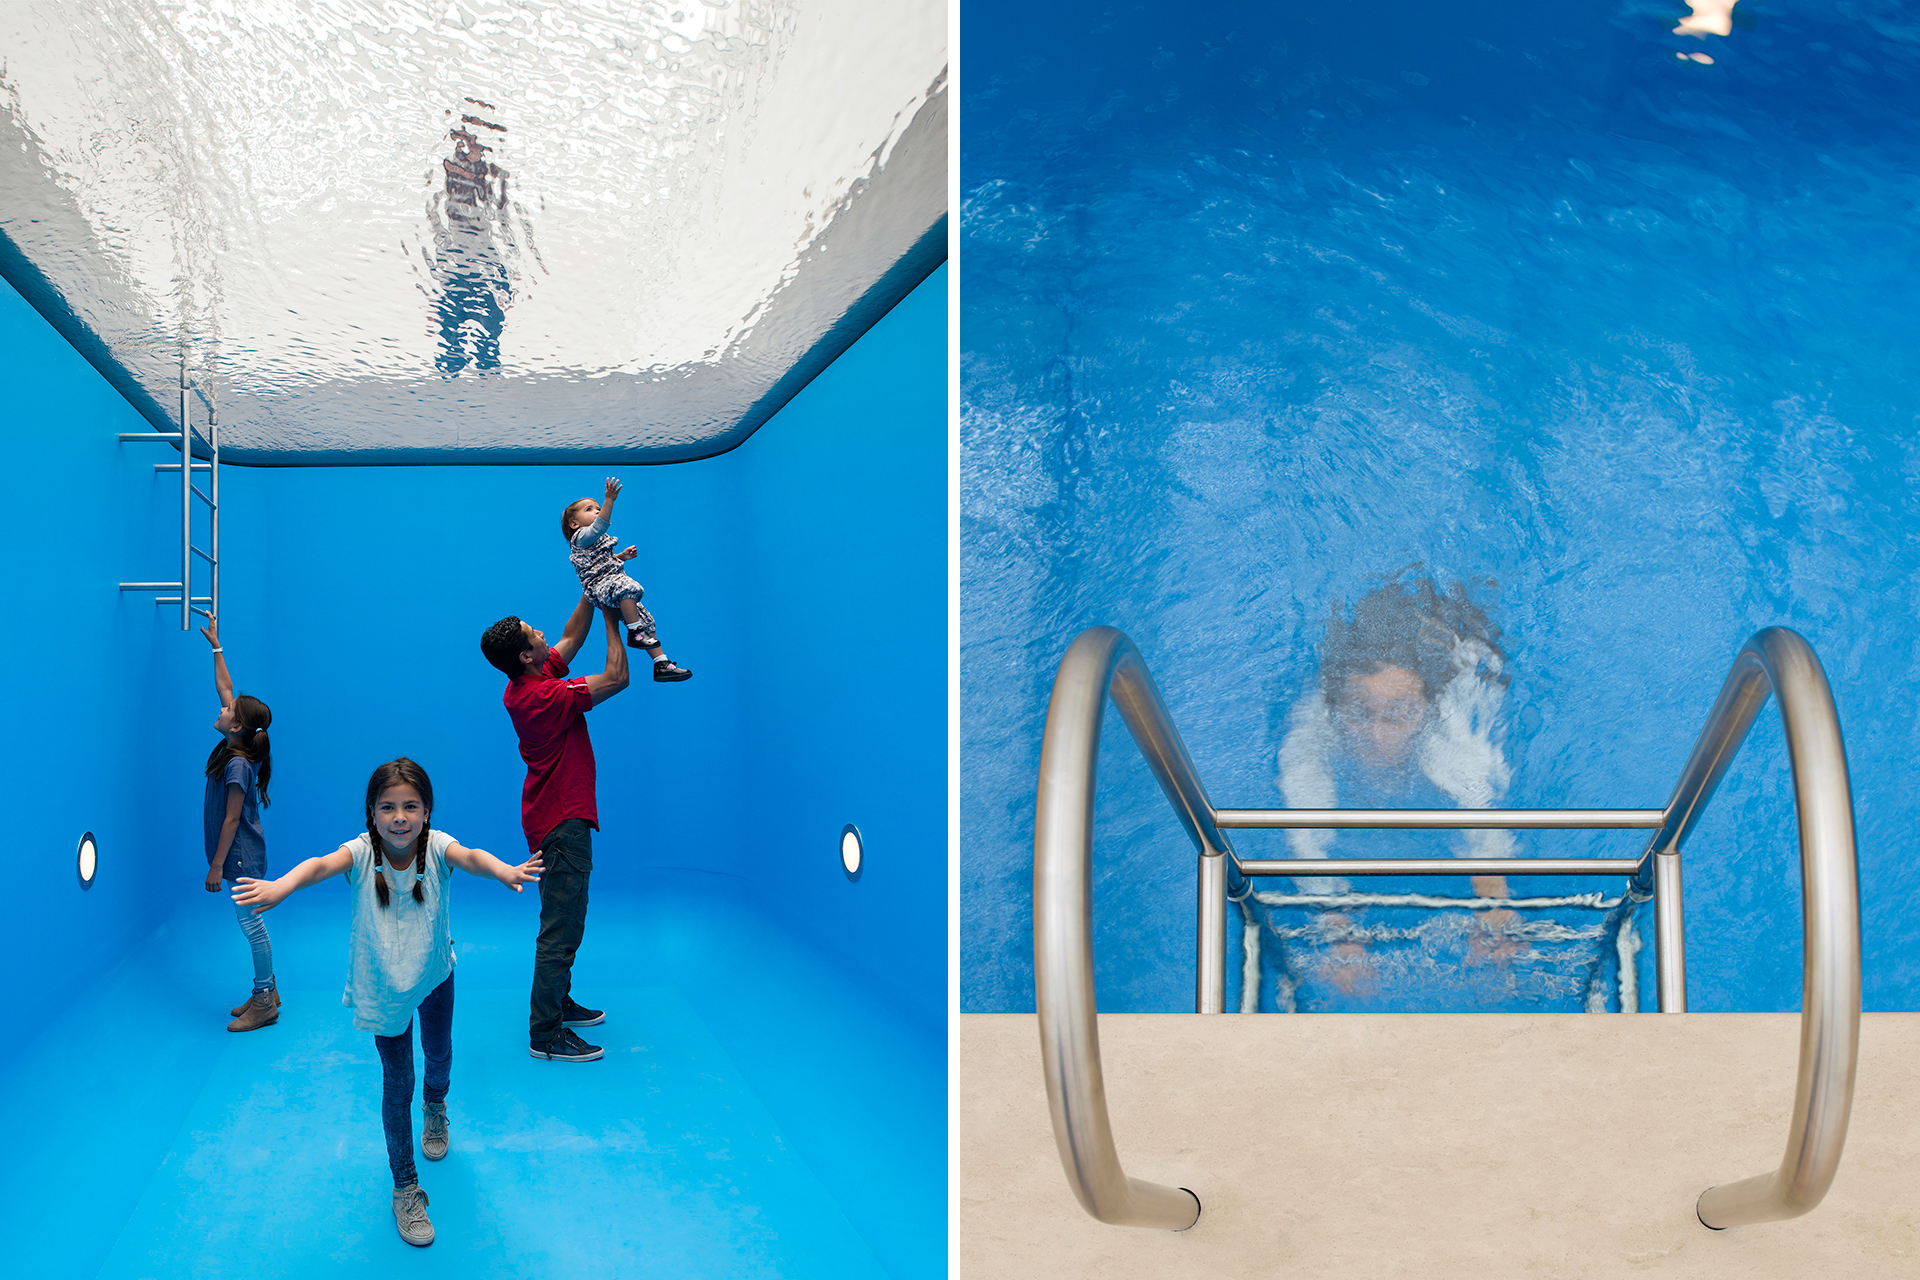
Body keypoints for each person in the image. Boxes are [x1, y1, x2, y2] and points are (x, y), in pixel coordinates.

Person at [231, 758, 541, 1248]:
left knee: (438, 1056)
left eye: (410, 807)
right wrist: (281, 887)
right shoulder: (359, 853)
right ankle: (404, 1187)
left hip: (436, 974)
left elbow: (473, 856)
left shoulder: (437, 848)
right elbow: (317, 866)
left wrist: (504, 871)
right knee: (398, 1084)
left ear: (426, 812)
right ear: (372, 815)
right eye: (388, 807)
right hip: (384, 986)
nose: (400, 816)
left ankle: (436, 1106)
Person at [1268, 572, 1520, 996]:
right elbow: (1305, 835)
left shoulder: (1451, 736)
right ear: (1336, 707)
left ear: (1425, 710)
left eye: (1399, 713)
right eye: (1360, 712)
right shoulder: (1311, 734)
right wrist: (1337, 929)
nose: (1377, 735)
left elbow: (1484, 822)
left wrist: (1495, 910)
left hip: (1460, 655)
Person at [479, 597, 629, 1062]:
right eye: (533, 634)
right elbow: (617, 678)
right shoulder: (543, 695)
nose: (544, 634)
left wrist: (591, 589)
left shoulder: (532, 676)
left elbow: (569, 637)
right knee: (560, 928)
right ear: (525, 655)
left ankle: (557, 1002)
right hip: (561, 821)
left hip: (555, 815)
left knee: (567, 919)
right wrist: (611, 613)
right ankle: (544, 1034)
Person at [199, 621, 278, 1033]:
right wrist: (217, 647)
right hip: (241, 853)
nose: (222, 706)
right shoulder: (237, 744)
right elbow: (225, 689)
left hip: (240, 857)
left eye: (228, 711)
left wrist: (216, 866)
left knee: (250, 923)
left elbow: (232, 819)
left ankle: (265, 999)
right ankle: (267, 989)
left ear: (235, 727)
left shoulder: (236, 764)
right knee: (248, 922)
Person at [561, 475, 692, 682]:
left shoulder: (595, 542)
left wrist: (622, 556)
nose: (596, 511)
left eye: (597, 507)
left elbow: (603, 561)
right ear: (574, 524)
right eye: (589, 509)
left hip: (610, 583)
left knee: (644, 617)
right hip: (598, 587)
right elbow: (599, 526)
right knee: (627, 586)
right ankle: (634, 632)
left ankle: (661, 663)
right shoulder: (581, 537)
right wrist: (609, 500)